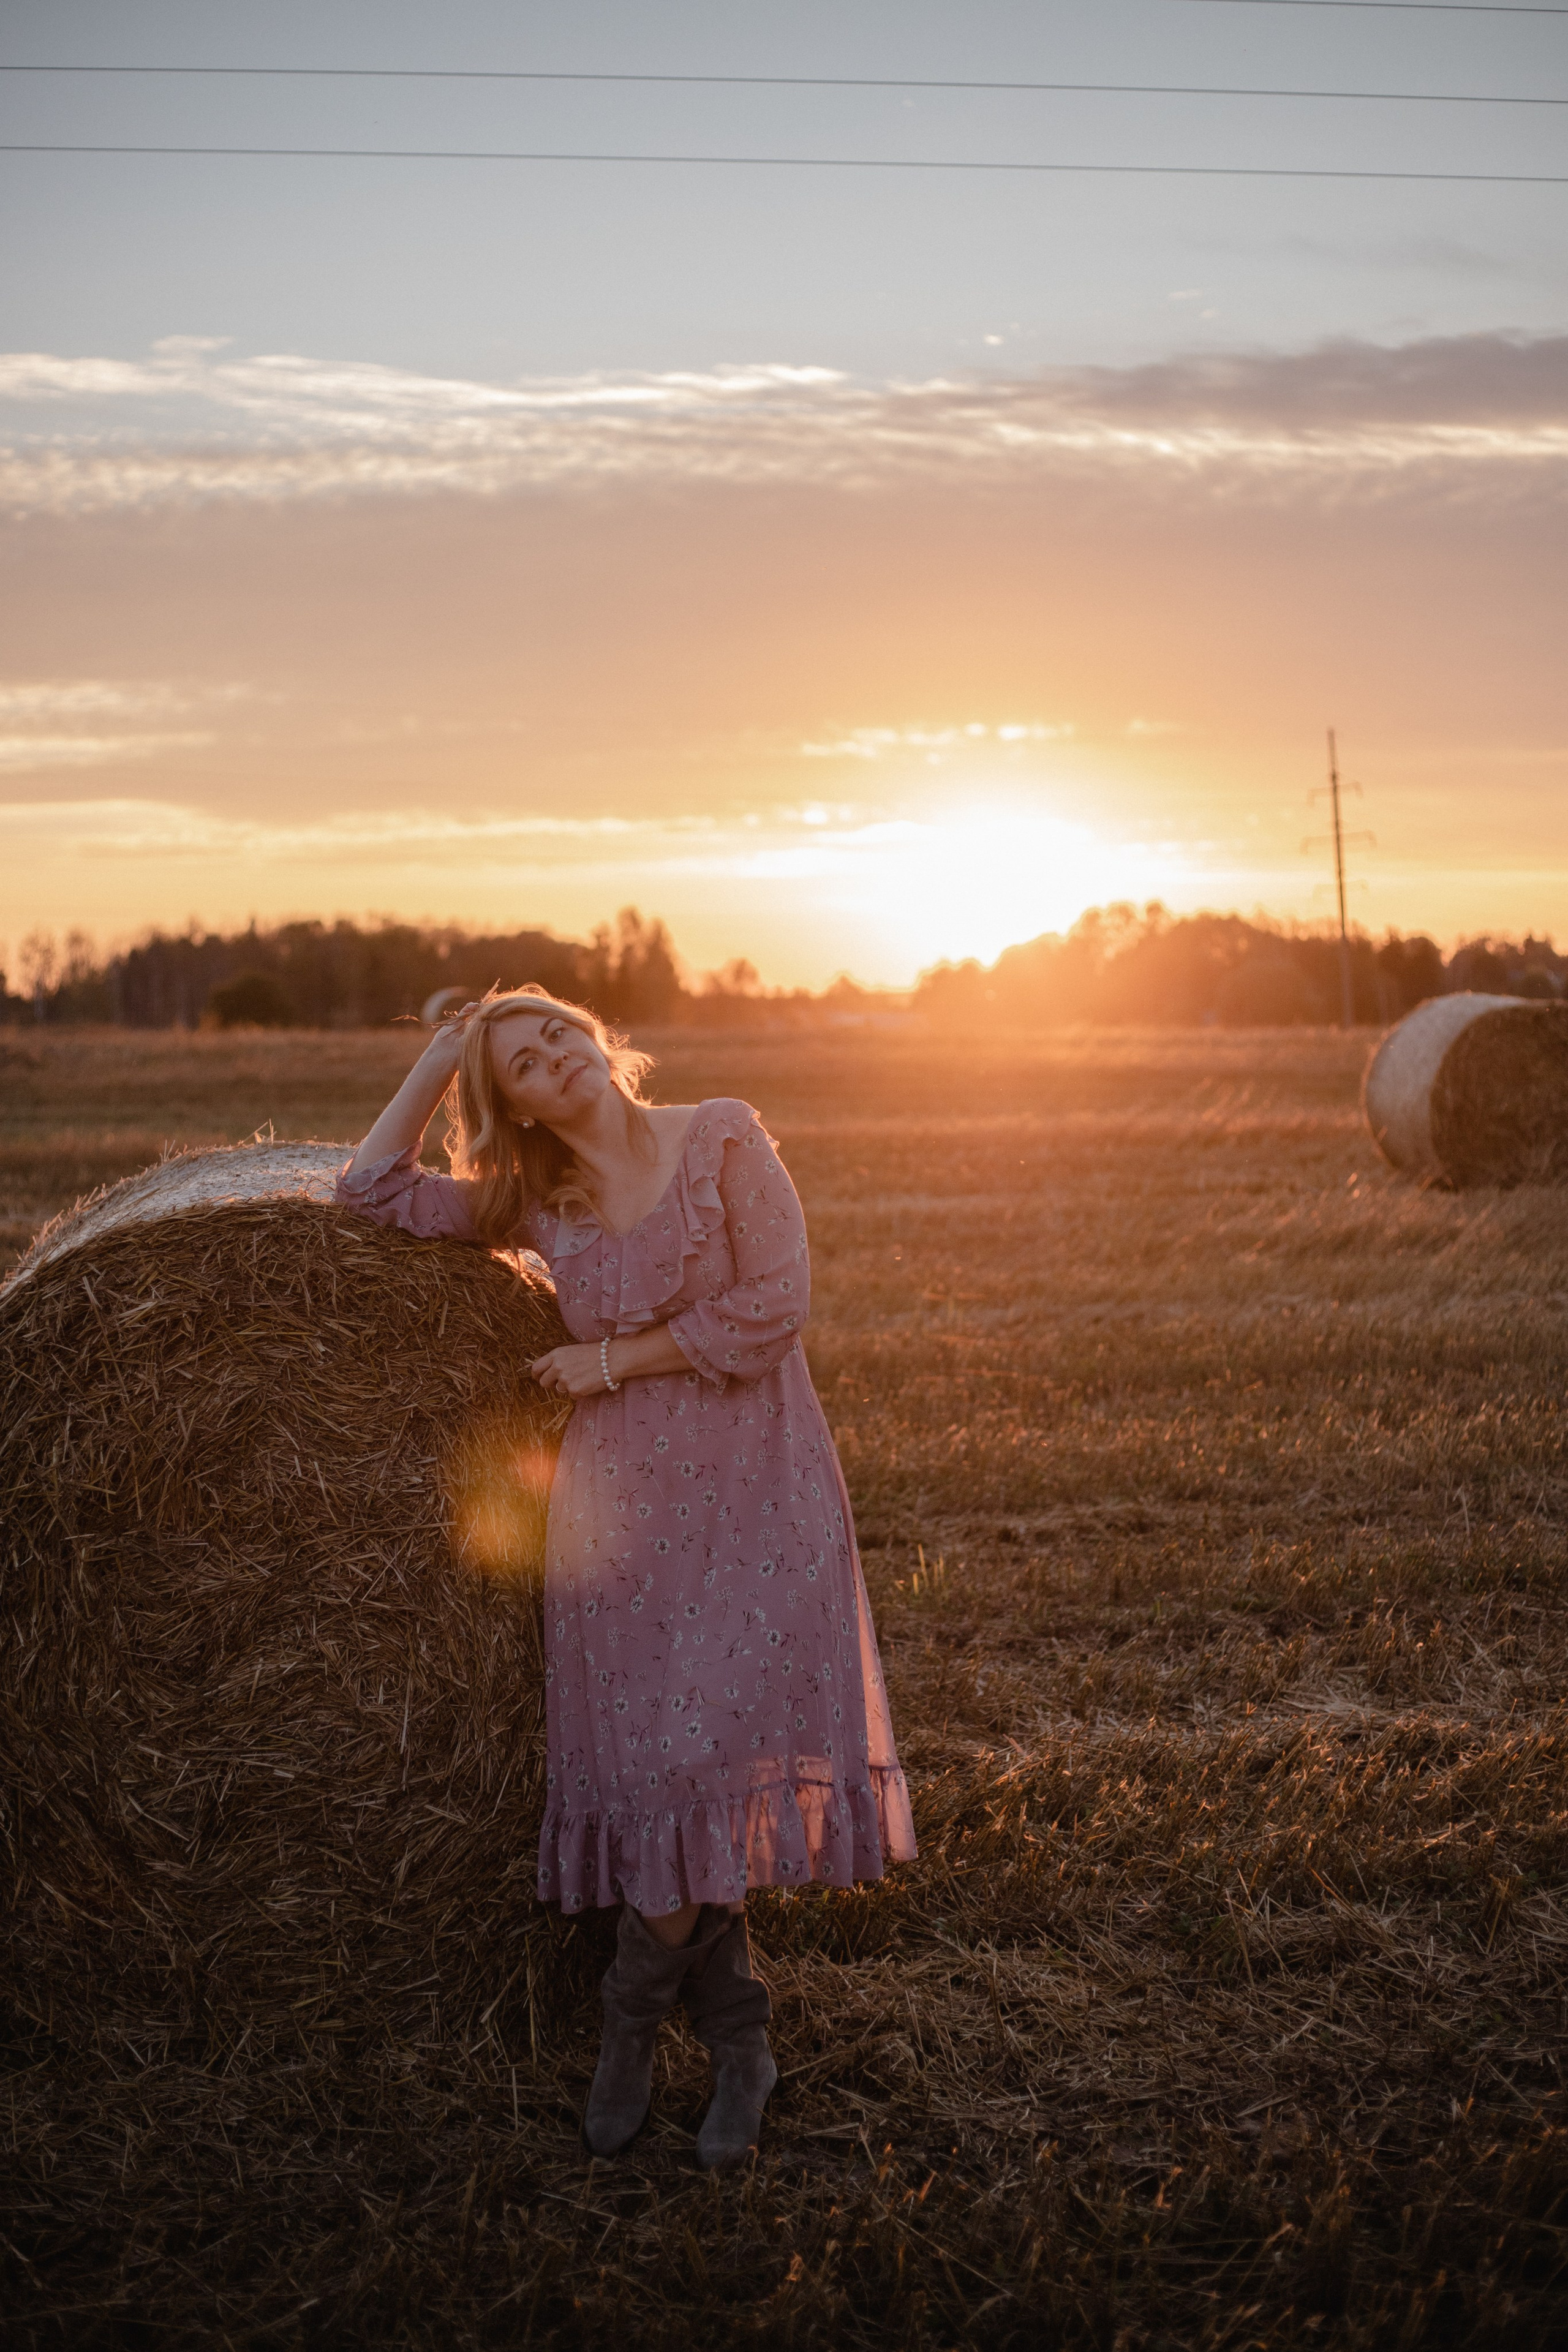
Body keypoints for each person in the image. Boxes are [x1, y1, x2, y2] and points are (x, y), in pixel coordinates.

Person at [336, 986, 915, 2168]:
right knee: (664, 1772)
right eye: (527, 1065)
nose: (556, 1058)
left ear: (597, 1042)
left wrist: (606, 1359)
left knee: (708, 1760)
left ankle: (636, 2027)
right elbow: (372, 1192)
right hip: (623, 1528)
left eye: (559, 1034)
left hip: (759, 1493)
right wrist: (442, 1057)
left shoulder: (722, 1133)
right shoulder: (534, 1199)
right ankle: (729, 2042)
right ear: (520, 1110)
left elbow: (776, 1309)